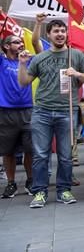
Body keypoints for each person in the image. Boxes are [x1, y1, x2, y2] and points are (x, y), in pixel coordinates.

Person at [18, 19, 84, 208]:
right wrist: (23, 64)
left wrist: (77, 74)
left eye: (63, 31)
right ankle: (40, 192)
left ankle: (64, 190)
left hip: (67, 111)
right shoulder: (40, 57)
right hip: (42, 112)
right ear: (48, 35)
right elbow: (24, 81)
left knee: (65, 155)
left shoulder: (76, 55)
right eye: (56, 31)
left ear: (67, 34)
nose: (60, 34)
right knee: (41, 154)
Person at [0, 34, 35, 198]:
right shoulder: (2, 62)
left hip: (27, 110)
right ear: (6, 46)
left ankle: (30, 181)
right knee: (8, 151)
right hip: (6, 112)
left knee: (30, 149)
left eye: (21, 41)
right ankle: (11, 183)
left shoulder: (27, 60)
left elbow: (39, 50)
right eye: (16, 42)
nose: (21, 44)